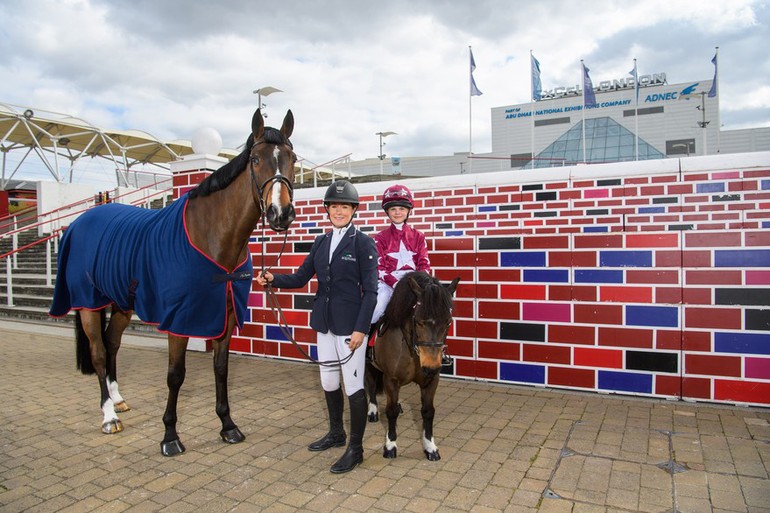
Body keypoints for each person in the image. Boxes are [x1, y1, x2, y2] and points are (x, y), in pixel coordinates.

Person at [256, 180, 377, 474]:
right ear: (327, 209)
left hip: (350, 328)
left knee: (353, 385)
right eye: (334, 206)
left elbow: (371, 292)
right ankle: (337, 433)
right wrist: (273, 278)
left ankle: (356, 449)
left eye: (344, 207)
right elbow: (300, 278)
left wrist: (362, 329)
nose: (338, 211)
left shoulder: (363, 243)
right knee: (328, 382)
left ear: (353, 211)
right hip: (323, 324)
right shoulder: (321, 242)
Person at [369, 184, 452, 365]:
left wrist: (420, 285)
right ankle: (366, 347)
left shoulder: (419, 236)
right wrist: (397, 285)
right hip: (389, 283)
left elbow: (424, 263)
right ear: (387, 212)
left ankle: (439, 350)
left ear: (408, 211)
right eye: (393, 209)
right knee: (378, 306)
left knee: (438, 310)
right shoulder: (380, 238)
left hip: (416, 285)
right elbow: (380, 268)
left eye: (401, 209)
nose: (397, 212)